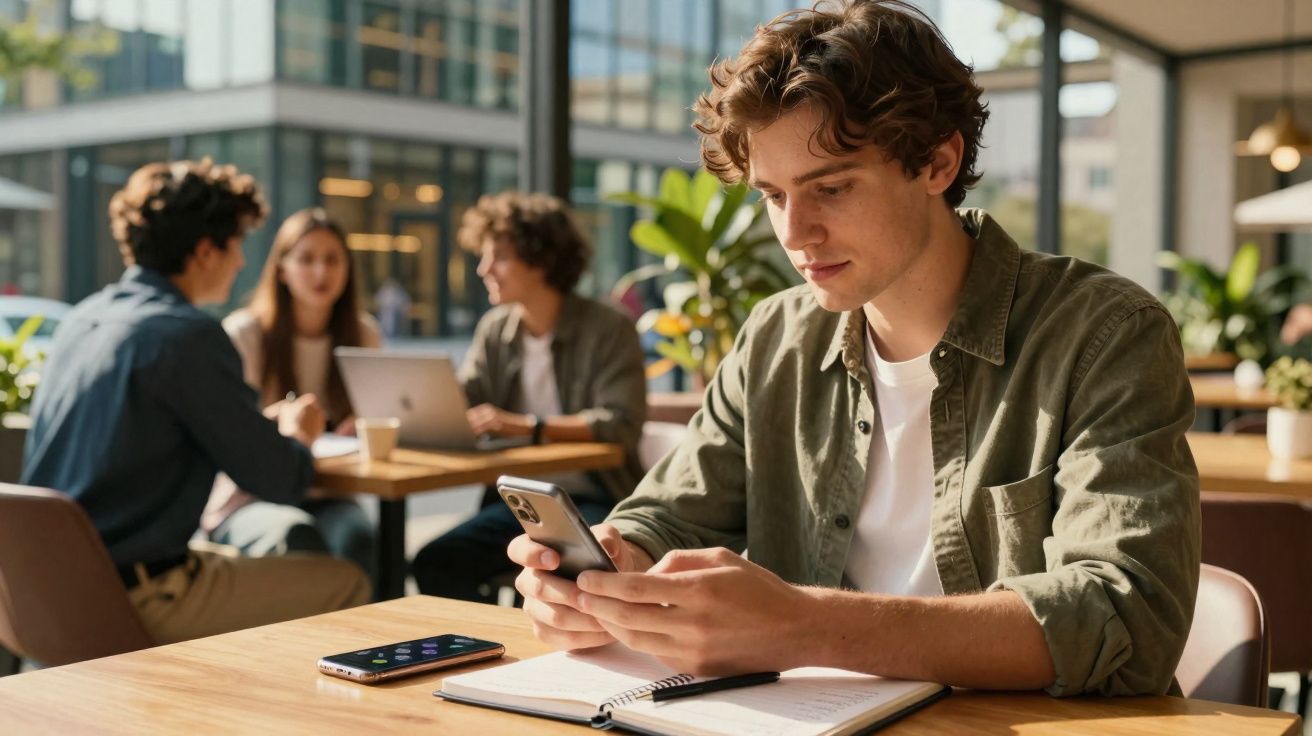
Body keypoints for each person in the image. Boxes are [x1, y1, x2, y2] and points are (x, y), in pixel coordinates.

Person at [508, 0, 1200, 697]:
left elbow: (1125, 616)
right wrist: (611, 567)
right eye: (772, 196)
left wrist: (806, 626)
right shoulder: (775, 337)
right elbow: (669, 514)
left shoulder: (1105, 334)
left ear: (936, 161)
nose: (795, 233)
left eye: (830, 188)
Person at [21, 159, 369, 644]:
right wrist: (296, 433)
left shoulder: (83, 321)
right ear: (206, 251)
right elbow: (283, 478)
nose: (244, 263)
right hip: (135, 595)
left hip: (36, 597)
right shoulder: (188, 337)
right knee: (348, 582)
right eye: (237, 245)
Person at [411, 191, 647, 603]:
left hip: (592, 497)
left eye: (499, 256)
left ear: (542, 259)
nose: (484, 269)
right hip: (521, 501)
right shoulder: (496, 329)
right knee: (437, 561)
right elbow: (466, 399)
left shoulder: (608, 327)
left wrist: (524, 426)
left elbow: (620, 423)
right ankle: (480, 651)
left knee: (556, 572)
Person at [202, 207, 380, 585]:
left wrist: (361, 431)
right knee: (298, 537)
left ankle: (377, 645)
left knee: (361, 538)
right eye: (306, 259)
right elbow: (229, 438)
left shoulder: (363, 334)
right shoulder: (244, 334)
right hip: (249, 499)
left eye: (332, 260)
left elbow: (377, 421)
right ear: (281, 268)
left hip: (332, 494)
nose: (321, 272)